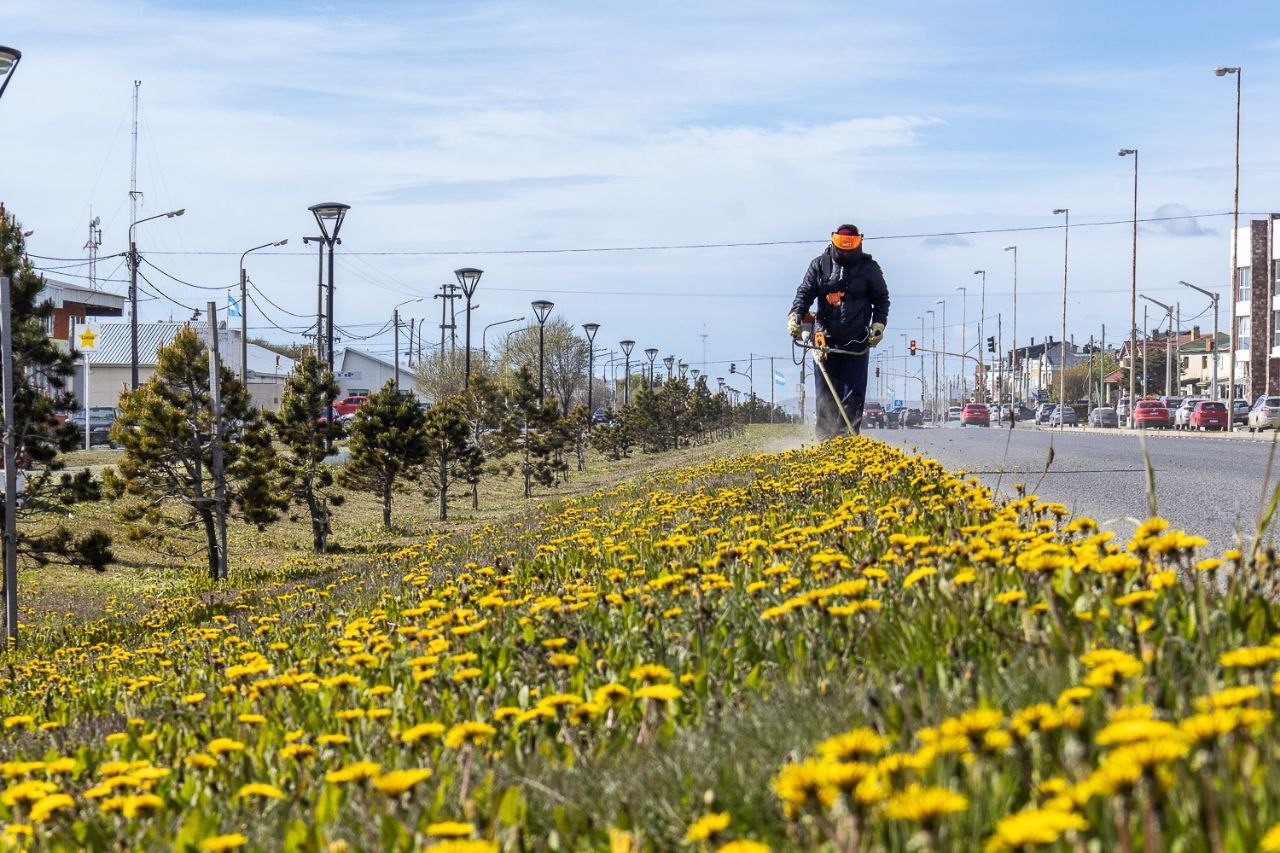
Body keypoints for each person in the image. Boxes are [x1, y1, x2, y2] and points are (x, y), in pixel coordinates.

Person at [787, 224, 889, 439]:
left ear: (858, 245)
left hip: (857, 341)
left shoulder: (869, 268)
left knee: (853, 395)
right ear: (834, 244)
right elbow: (805, 293)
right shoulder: (819, 265)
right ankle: (826, 441)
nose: (845, 255)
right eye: (841, 250)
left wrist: (879, 324)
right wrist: (796, 314)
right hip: (825, 340)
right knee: (825, 395)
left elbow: (881, 299)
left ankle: (848, 440)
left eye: (850, 251)